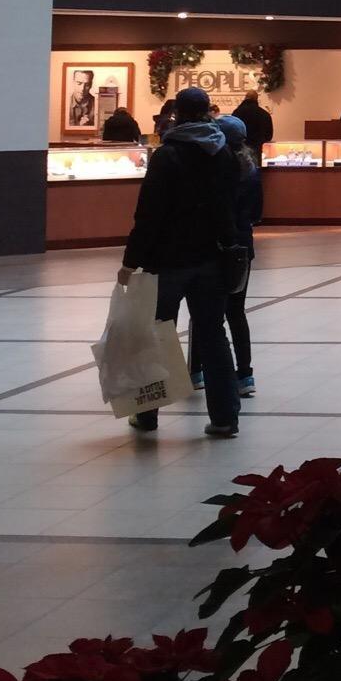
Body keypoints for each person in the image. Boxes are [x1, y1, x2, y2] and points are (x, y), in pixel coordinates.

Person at [117, 84, 241, 438]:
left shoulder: (168, 155)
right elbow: (230, 206)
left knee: (156, 334)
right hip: (212, 259)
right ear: (208, 112)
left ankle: (147, 413)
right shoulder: (224, 153)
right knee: (213, 335)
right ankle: (225, 417)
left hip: (169, 260)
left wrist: (132, 260)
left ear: (176, 114)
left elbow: (149, 213)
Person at [194, 112, 262, 400]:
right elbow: (257, 212)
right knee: (236, 312)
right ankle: (245, 374)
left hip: (212, 246)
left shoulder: (214, 169)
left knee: (204, 312)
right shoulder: (252, 170)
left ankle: (196, 371)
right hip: (242, 248)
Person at [233, 90, 275, 164]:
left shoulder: (237, 113)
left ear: (245, 98)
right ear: (256, 99)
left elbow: (232, 132)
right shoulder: (265, 114)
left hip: (240, 152)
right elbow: (269, 136)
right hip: (257, 151)